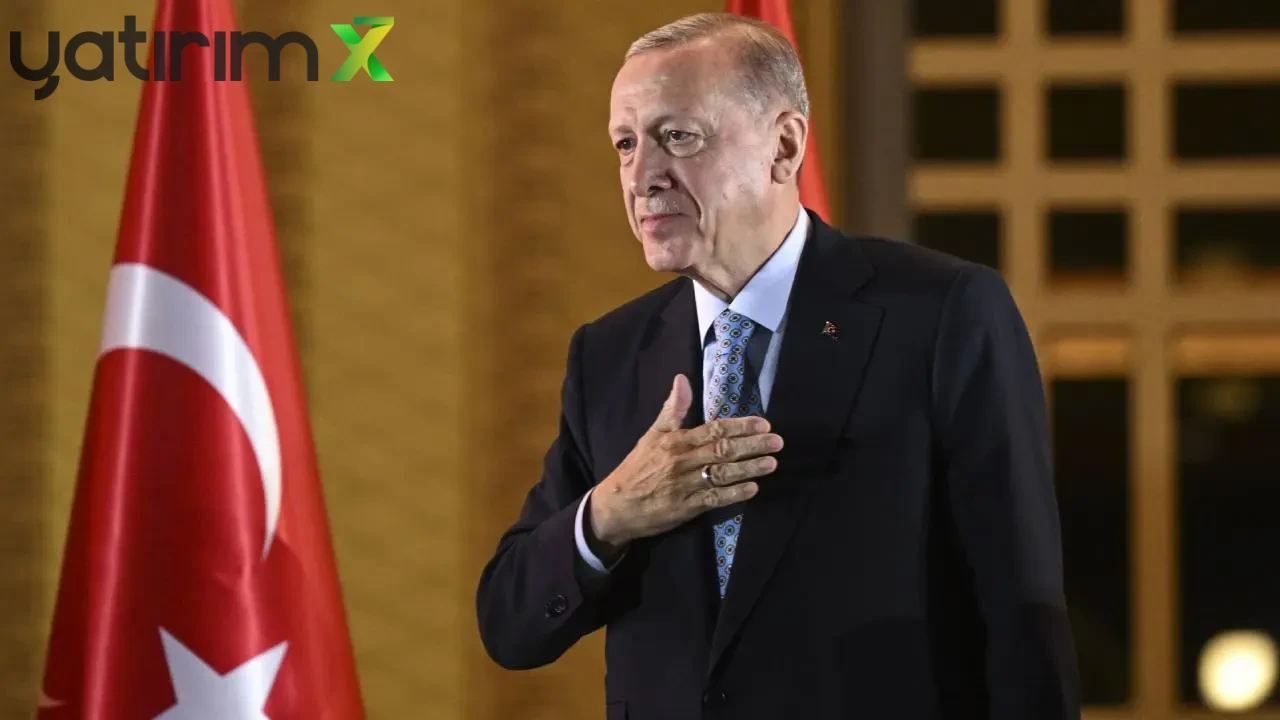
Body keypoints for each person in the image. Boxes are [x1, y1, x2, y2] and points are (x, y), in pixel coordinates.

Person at [476, 12, 1080, 720]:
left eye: (678, 136)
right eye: (625, 144)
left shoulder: (941, 314)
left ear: (784, 146)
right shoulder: (609, 355)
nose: (641, 177)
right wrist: (610, 513)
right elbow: (510, 623)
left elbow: (1021, 615)